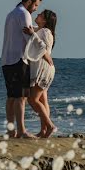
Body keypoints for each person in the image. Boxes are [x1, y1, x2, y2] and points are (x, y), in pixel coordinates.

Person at [0, 0, 41, 138]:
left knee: (11, 97)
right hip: (19, 59)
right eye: (35, 5)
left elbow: (25, 30)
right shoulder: (24, 14)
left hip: (6, 59)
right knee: (21, 97)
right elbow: (28, 36)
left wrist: (35, 29)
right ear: (29, 2)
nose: (36, 9)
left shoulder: (11, 14)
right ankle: (22, 130)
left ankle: (11, 130)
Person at [23, 9, 58, 137]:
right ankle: (44, 130)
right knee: (43, 100)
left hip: (43, 69)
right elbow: (34, 29)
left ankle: (50, 125)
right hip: (46, 68)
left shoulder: (46, 31)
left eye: (40, 15)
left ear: (45, 20)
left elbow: (42, 46)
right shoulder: (42, 30)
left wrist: (32, 34)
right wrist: (33, 31)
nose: (37, 15)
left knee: (32, 99)